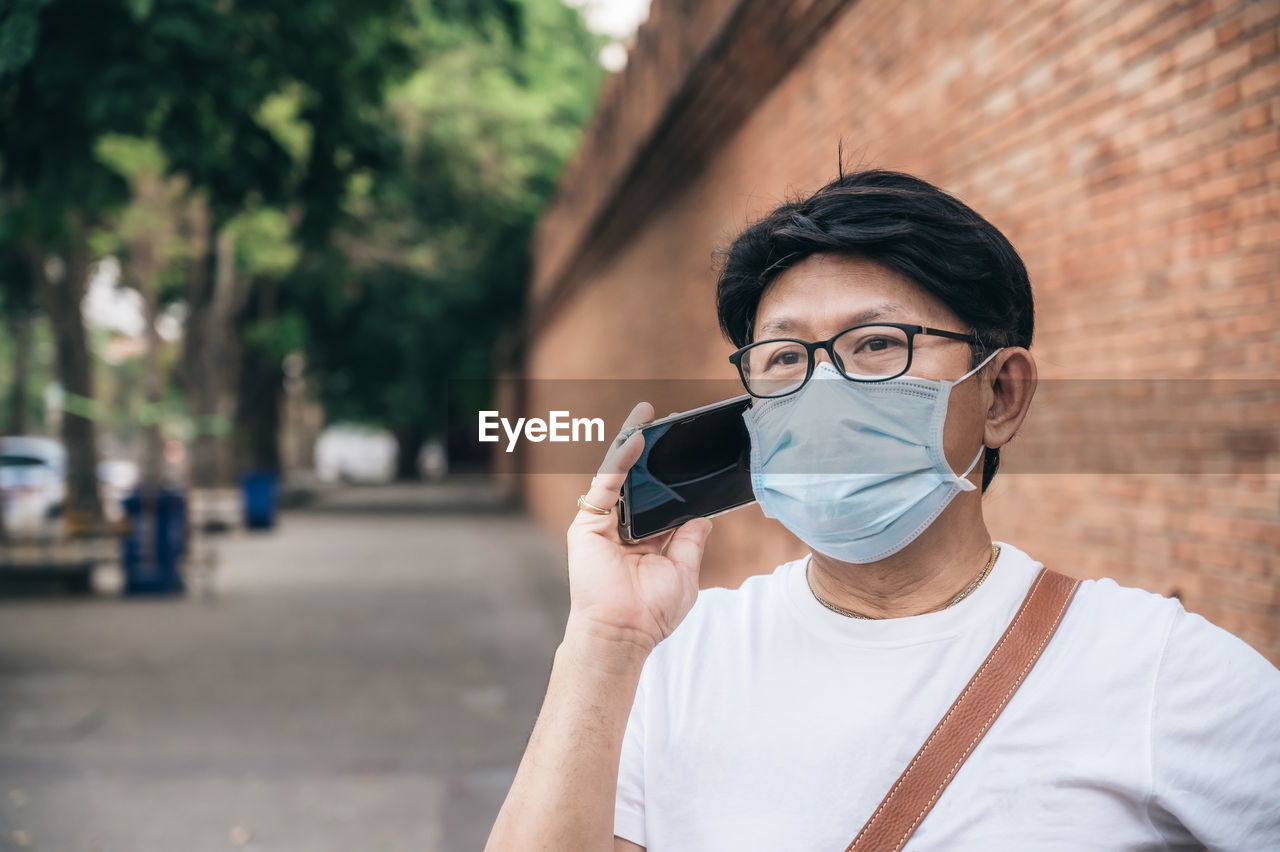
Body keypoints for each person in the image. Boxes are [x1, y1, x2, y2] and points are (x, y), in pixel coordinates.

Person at [485, 170, 1280, 851]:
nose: (823, 391)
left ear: (1000, 394)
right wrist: (605, 641)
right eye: (786, 358)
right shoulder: (676, 663)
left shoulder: (1159, 673)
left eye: (877, 345)